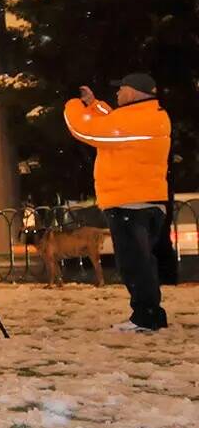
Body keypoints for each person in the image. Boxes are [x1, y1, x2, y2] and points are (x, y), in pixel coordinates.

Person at [64, 73, 172, 331]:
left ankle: (147, 317)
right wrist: (93, 105)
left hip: (130, 203)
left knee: (134, 263)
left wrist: (72, 105)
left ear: (134, 92)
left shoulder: (137, 119)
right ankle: (149, 313)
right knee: (142, 261)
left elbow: (86, 130)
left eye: (121, 89)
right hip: (146, 200)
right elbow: (111, 121)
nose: (117, 93)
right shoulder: (151, 115)